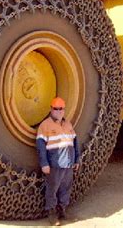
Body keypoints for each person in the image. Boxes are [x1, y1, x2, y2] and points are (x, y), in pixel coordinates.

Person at [36, 97, 80, 226]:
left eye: (61, 109)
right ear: (51, 109)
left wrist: (76, 160)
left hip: (68, 163)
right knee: (52, 189)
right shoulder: (45, 125)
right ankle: (52, 214)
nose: (59, 111)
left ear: (64, 110)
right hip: (54, 164)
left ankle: (62, 211)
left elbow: (75, 143)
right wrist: (44, 164)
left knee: (65, 188)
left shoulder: (68, 124)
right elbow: (40, 146)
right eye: (56, 109)